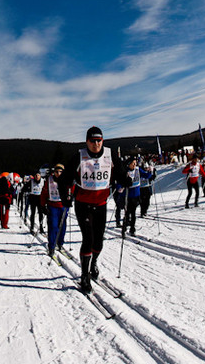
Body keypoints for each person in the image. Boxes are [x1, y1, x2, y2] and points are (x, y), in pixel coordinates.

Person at [58, 126, 126, 294]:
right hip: (83, 204)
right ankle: (84, 275)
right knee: (88, 239)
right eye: (92, 141)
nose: (96, 144)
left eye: (99, 140)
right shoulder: (79, 157)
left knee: (98, 242)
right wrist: (65, 197)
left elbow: (120, 173)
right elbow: (64, 180)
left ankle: (93, 262)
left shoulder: (110, 156)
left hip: (101, 205)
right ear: (87, 141)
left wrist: (125, 180)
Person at [41, 164, 72, 257]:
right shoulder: (49, 180)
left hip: (63, 206)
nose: (58, 174)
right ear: (54, 172)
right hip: (52, 205)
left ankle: (60, 243)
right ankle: (51, 246)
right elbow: (44, 193)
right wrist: (43, 206)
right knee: (53, 226)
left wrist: (70, 197)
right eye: (56, 172)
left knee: (62, 226)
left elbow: (72, 189)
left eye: (60, 172)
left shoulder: (66, 179)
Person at [122, 157, 154, 237]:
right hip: (128, 196)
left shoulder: (138, 169)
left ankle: (132, 229)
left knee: (133, 214)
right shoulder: (125, 171)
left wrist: (150, 171)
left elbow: (146, 176)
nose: (135, 165)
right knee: (127, 213)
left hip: (136, 195)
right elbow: (120, 181)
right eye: (133, 164)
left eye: (135, 163)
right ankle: (124, 229)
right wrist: (120, 187)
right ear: (129, 164)